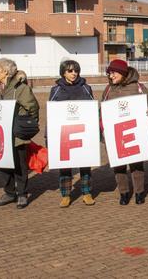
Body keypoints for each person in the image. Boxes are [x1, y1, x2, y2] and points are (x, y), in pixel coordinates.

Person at [102, 59, 148, 205]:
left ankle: (139, 192)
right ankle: (124, 193)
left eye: (113, 73)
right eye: (109, 73)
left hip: (134, 132)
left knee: (136, 165)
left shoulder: (139, 88)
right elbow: (103, 110)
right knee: (119, 165)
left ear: (123, 73)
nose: (110, 76)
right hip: (116, 134)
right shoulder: (108, 90)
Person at [0, 59, 39, 210]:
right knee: (4, 165)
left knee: (20, 165)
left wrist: (26, 125)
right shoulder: (0, 88)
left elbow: (33, 107)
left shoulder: (21, 88)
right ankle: (9, 192)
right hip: (3, 135)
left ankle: (22, 193)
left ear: (5, 71)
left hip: (16, 135)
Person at [49, 59, 96, 207]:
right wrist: (48, 136)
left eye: (76, 70)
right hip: (64, 134)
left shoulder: (86, 88)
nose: (74, 73)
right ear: (63, 72)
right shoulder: (55, 90)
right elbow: (51, 115)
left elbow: (93, 110)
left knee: (85, 165)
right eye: (70, 71)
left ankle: (86, 192)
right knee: (65, 166)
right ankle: (66, 194)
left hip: (83, 133)